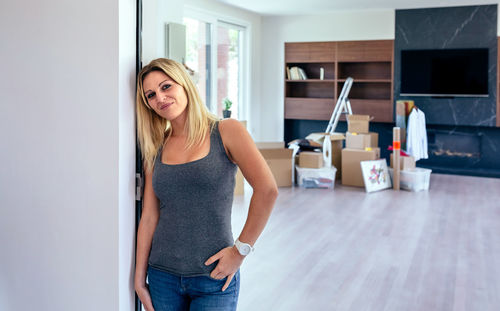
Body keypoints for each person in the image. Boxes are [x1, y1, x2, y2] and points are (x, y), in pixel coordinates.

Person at [134, 58, 278, 311]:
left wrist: (240, 252)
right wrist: (138, 278)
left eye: (166, 87)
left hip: (214, 276)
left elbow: (267, 190)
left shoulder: (226, 130)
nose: (160, 98)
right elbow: (149, 216)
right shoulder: (155, 145)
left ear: (185, 84)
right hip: (162, 277)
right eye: (151, 95)